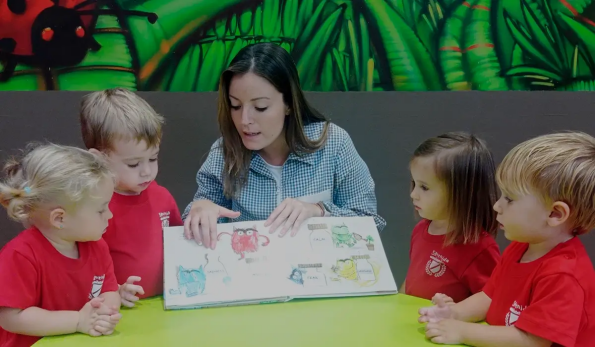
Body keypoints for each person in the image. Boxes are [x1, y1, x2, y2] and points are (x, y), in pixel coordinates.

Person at [182, 42, 385, 249]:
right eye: (235, 105)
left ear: (288, 103)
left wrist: (319, 210)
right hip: (251, 277)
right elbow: (197, 227)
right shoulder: (224, 153)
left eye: (260, 107)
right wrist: (201, 210)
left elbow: (370, 222)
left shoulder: (333, 143)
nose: (244, 120)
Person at [419, 132, 595, 346]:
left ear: (555, 214)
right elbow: (490, 296)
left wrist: (463, 332)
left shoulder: (563, 274)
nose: (497, 205)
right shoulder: (519, 247)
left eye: (509, 199)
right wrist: (454, 313)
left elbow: (533, 341)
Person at [0, 143, 122, 347]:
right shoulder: (20, 256)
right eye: (101, 210)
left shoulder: (97, 246)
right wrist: (78, 321)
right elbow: (11, 317)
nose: (110, 215)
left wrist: (104, 313)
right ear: (59, 219)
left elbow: (109, 291)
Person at [80, 88, 183, 306]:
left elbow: (180, 245)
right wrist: (114, 291)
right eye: (133, 164)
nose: (147, 171)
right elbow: (83, 266)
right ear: (99, 160)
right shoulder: (95, 208)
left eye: (153, 158)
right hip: (117, 313)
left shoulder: (162, 197)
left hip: (164, 307)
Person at [402, 132, 500, 303]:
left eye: (424, 187)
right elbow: (410, 282)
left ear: (462, 193)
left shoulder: (479, 247)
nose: (413, 194)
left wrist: (454, 312)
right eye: (414, 183)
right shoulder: (421, 230)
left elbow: (492, 299)